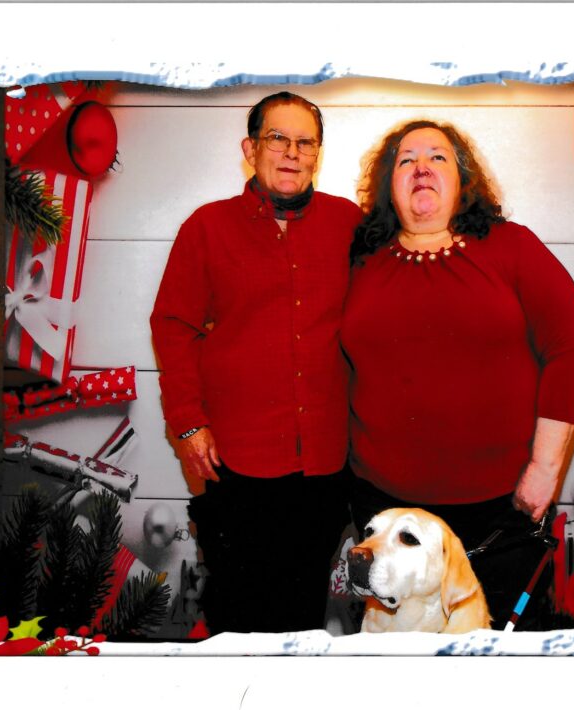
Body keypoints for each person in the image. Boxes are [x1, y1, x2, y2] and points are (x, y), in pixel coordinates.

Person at [342, 119, 574, 630]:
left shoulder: (511, 247)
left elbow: (569, 347)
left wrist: (545, 470)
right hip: (383, 507)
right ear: (389, 183)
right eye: (406, 159)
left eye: (438, 157)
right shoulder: (362, 260)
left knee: (487, 652)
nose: (421, 168)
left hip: (498, 512)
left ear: (463, 179)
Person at [150, 92, 361, 634]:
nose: (291, 153)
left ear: (317, 154)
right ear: (250, 148)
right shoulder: (207, 227)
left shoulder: (351, 225)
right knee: (236, 614)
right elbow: (173, 328)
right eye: (277, 139)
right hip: (235, 463)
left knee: (302, 615)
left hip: (325, 466)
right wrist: (189, 424)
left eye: (304, 142)